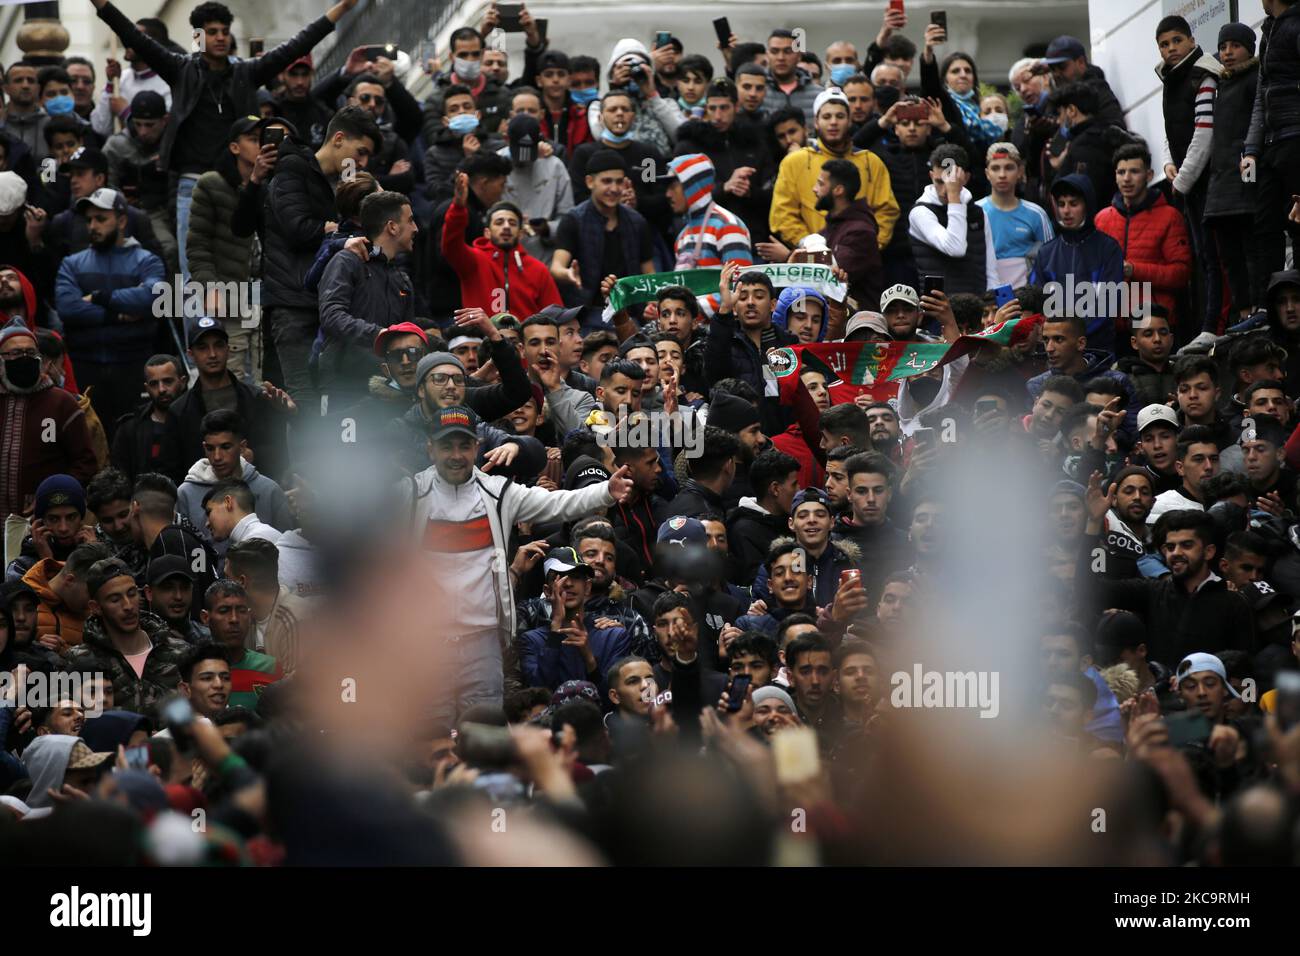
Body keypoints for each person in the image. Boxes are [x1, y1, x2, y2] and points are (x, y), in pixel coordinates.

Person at [91, 0, 364, 279]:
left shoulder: (247, 72)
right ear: (198, 36)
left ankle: (244, 323)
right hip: (192, 183)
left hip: (242, 185)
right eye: (212, 31)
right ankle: (202, 325)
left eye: (224, 31)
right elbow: (132, 35)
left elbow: (298, 43)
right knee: (194, 273)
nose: (221, 37)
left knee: (247, 268)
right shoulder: (180, 70)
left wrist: (343, 7)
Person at [397, 404, 633, 725]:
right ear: (430, 448)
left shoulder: (498, 493)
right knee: (429, 736)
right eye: (446, 445)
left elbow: (557, 503)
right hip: (425, 646)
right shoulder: (409, 494)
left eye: (464, 445)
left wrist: (606, 491)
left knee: (485, 739)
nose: (456, 454)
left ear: (477, 447)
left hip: (481, 644)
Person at [263, 105, 382, 409]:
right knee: (302, 403)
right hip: (293, 303)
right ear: (338, 138)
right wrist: (331, 233)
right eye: (360, 152)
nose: (362, 162)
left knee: (333, 400)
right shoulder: (293, 167)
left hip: (325, 306)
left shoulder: (340, 185)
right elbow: (296, 228)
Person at [53, 187, 166, 437]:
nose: (92, 225)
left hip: (133, 363)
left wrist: (100, 297)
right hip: (85, 364)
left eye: (101, 219)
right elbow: (68, 307)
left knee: (136, 440)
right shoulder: (72, 263)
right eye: (89, 219)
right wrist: (116, 314)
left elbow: (153, 297)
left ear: (122, 220)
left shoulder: (147, 261)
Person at [1155, 15, 1225, 341]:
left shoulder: (1204, 76)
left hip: (1211, 183)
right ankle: (1206, 326)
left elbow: (1204, 135)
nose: (1170, 48)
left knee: (1216, 258)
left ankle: (1215, 325)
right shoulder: (1171, 79)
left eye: (1176, 41)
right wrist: (1170, 164)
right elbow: (1173, 131)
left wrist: (1181, 182)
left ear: (1191, 40)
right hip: (1190, 184)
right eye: (1164, 44)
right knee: (1201, 259)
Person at [185, 115, 268, 383]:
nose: (260, 146)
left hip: (269, 300)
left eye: (263, 140)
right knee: (228, 381)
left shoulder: (273, 185)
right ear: (234, 147)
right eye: (253, 140)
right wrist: (211, 289)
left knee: (266, 384)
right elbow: (198, 245)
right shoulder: (211, 184)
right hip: (230, 299)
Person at [317, 190, 418, 404]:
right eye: (410, 220)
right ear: (392, 226)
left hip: (389, 389)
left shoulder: (402, 279)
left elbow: (408, 332)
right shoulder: (347, 262)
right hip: (344, 387)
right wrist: (380, 335)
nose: (416, 228)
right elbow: (331, 316)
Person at [165, 315, 291, 483]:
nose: (212, 354)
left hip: (253, 493)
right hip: (202, 499)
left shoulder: (256, 399)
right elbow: (173, 468)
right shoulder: (179, 411)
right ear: (190, 354)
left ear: (228, 348)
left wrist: (253, 455)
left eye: (218, 345)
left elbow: (278, 454)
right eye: (203, 347)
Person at [770, 88, 898, 250]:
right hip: (808, 259)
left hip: (860, 256)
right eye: (826, 116)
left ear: (849, 121)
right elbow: (782, 214)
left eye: (840, 116)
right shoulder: (794, 162)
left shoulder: (871, 161)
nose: (833, 122)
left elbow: (886, 210)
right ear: (816, 122)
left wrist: (872, 243)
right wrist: (809, 244)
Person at [64, 557, 189, 718]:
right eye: (115, 599)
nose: (128, 606)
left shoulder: (180, 651)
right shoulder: (79, 661)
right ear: (95, 607)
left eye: (132, 594)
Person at [0, 318, 98, 517]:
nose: (25, 358)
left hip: (44, 521)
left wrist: (53, 495)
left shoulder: (62, 403)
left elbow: (85, 463)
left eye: (31, 352)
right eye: (16, 353)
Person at [1094, 142, 1193, 329]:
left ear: (1149, 175)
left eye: (1134, 171)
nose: (1127, 178)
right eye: (1121, 172)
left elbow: (1181, 274)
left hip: (1155, 324)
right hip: (1113, 326)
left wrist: (1133, 269)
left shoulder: (1170, 217)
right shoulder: (1102, 219)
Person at [552, 148, 655, 328]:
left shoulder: (636, 222)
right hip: (587, 313)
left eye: (619, 182)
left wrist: (652, 303)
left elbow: (649, 272)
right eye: (607, 181)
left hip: (630, 311)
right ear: (590, 182)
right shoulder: (574, 220)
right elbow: (556, 267)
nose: (614, 189)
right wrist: (568, 274)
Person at [1203, 23, 1261, 333]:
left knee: (1250, 246)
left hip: (1245, 179)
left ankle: (1256, 307)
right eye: (1223, 46)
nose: (1227, 52)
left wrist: (1251, 174)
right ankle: (1242, 311)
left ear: (1249, 49)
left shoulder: (1254, 79)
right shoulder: (1220, 85)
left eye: (1234, 46)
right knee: (1229, 255)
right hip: (1220, 186)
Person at [443, 169, 560, 319]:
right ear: (487, 233)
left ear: (520, 233)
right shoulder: (473, 260)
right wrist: (458, 207)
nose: (506, 226)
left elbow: (555, 315)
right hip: (481, 340)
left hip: (524, 341)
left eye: (512, 223)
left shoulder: (539, 270)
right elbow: (451, 245)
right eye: (499, 222)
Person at [1030, 174, 1125, 353]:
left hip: (1097, 350)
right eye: (1061, 204)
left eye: (1074, 204)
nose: (1066, 211)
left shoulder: (1108, 248)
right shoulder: (1046, 252)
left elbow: (1109, 303)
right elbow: (1036, 301)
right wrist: (1056, 336)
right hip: (1055, 350)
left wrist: (1071, 337)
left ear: (1087, 205)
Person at [518, 546, 633, 693]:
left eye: (576, 576)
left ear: (587, 587)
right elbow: (540, 693)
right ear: (547, 591)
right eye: (560, 577)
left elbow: (614, 699)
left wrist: (589, 658)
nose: (568, 583)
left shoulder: (613, 635)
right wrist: (555, 632)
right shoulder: (532, 640)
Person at [176, 409, 293, 542]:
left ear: (242, 447)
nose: (217, 456)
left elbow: (286, 547)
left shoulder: (269, 491)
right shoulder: (186, 493)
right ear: (204, 447)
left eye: (225, 447)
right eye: (210, 448)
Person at [662, 152, 753, 317]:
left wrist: (689, 311)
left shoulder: (727, 225)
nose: (667, 194)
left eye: (673, 186)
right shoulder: (682, 236)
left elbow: (742, 287)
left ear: (692, 186)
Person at [908, 143, 997, 295]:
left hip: (978, 306)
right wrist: (954, 196)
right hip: (939, 308)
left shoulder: (978, 212)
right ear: (931, 176)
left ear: (966, 178)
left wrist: (993, 301)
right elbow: (955, 248)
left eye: (951, 183)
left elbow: (991, 269)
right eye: (939, 182)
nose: (945, 190)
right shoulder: (920, 212)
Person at [498, 110, 574, 266]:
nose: (524, 160)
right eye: (519, 154)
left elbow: (568, 218)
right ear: (507, 140)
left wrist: (547, 228)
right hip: (504, 257)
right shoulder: (495, 165)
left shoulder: (554, 166)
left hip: (544, 259)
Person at [224, 537, 308, 674]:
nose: (224, 585)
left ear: (241, 582)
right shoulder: (246, 618)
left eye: (227, 578)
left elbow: (295, 690)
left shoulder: (296, 620)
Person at [975, 141, 1053, 288]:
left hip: (1027, 299)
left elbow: (1051, 259)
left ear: (1020, 172)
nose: (1002, 175)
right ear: (987, 173)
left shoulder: (1036, 214)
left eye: (1009, 168)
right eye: (995, 168)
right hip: (985, 297)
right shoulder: (975, 212)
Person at [814, 158, 883, 309]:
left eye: (820, 183)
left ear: (838, 190)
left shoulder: (861, 232)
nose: (814, 189)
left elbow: (833, 277)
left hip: (857, 323)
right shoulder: (830, 228)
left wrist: (787, 257)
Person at [1145, 426, 1222, 526]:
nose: (1209, 466)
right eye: (1198, 459)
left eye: (1214, 459)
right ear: (1180, 468)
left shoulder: (1230, 504)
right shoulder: (1159, 507)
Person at [144, 554, 209, 644]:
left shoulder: (208, 639)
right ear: (149, 592)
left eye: (184, 587)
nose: (178, 596)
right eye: (168, 587)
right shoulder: (135, 641)